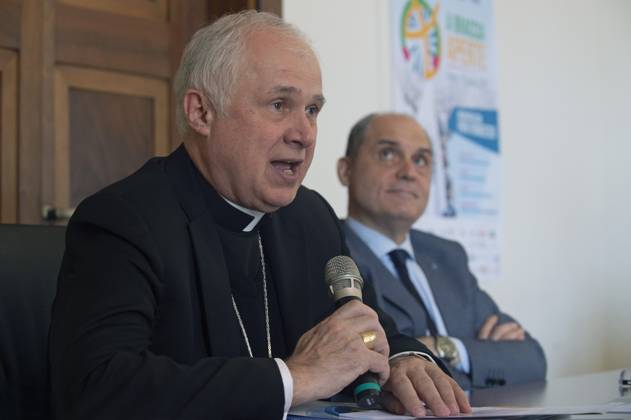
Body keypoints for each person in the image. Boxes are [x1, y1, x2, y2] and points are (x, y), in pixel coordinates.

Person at [48, 12, 471, 420]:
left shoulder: (310, 218)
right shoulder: (125, 219)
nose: (303, 134)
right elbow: (98, 388)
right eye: (279, 104)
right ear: (201, 113)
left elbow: (369, 326)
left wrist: (405, 359)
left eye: (312, 110)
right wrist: (295, 377)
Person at [337, 112, 547, 390]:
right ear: (346, 170)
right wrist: (480, 354)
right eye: (388, 154)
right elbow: (373, 368)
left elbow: (532, 359)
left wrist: (446, 347)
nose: (408, 172)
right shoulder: (332, 253)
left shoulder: (447, 255)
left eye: (421, 160)